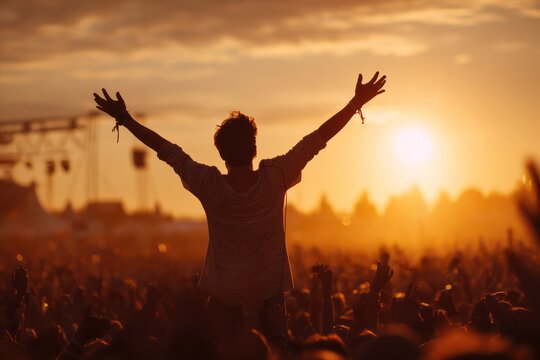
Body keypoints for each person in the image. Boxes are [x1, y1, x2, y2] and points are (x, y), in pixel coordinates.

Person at [92, 72, 386, 335]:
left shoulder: (208, 184)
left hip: (222, 309)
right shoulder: (275, 176)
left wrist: (126, 119)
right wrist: (354, 104)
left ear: (220, 154)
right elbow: (318, 138)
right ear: (255, 148)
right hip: (270, 308)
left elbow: (166, 149)